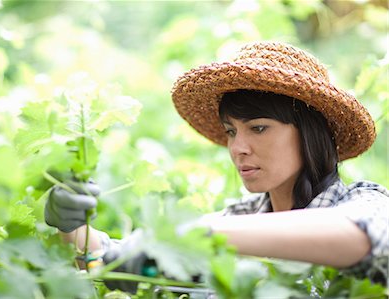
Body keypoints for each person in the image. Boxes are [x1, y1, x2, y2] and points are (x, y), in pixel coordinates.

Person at [44, 42, 389, 291]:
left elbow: (366, 237)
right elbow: (118, 264)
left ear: (310, 135)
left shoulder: (363, 203)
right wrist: (73, 230)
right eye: (230, 131)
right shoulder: (240, 217)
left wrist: (202, 234)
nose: (237, 148)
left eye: (258, 128)